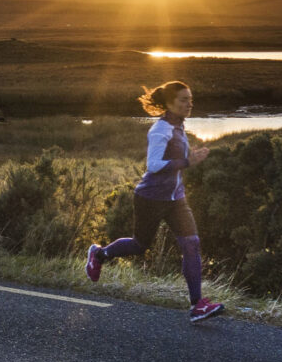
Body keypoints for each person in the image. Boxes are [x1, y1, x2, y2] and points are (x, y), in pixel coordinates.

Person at [85, 81, 225, 322]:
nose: (189, 103)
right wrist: (188, 162)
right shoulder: (160, 130)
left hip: (176, 200)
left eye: (190, 99)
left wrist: (191, 159)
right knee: (140, 246)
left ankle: (197, 305)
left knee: (191, 244)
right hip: (150, 198)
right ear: (169, 104)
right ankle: (99, 255)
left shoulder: (179, 126)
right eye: (183, 99)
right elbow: (154, 165)